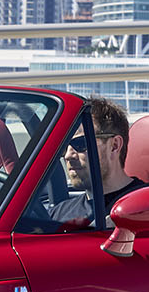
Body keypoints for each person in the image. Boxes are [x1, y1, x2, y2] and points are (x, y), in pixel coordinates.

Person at [51, 96, 143, 225]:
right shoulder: (56, 215)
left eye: (81, 143)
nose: (68, 155)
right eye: (64, 147)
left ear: (114, 146)